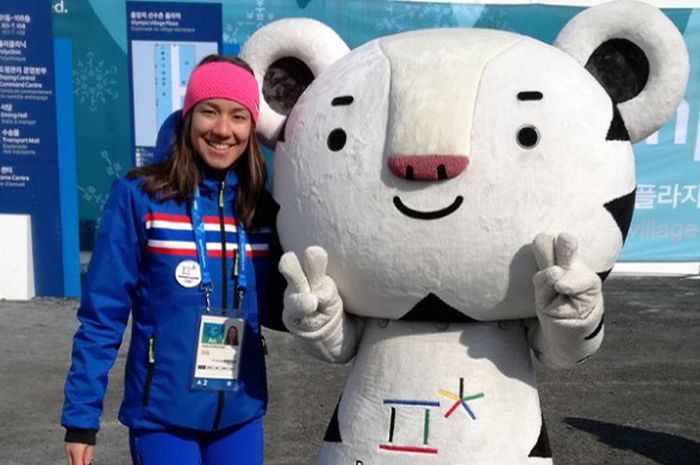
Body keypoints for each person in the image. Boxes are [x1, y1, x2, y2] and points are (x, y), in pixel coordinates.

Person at [61, 55, 286, 465]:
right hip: (162, 417)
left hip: (239, 415)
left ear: (252, 126)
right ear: (188, 117)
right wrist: (81, 417)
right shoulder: (140, 198)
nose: (222, 129)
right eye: (209, 112)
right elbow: (102, 315)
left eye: (238, 116)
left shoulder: (261, 209)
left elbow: (283, 307)